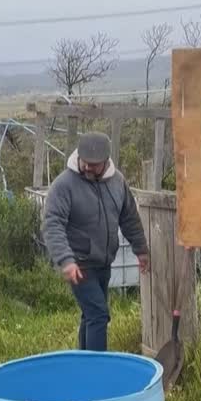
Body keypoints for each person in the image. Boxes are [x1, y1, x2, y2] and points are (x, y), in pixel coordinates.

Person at [43, 131, 150, 352]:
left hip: (104, 261)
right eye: (85, 163)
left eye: (95, 165)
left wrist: (141, 249)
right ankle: (98, 370)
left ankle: (85, 363)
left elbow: (129, 216)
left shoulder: (117, 181)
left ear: (106, 162)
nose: (89, 168)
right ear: (78, 157)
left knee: (90, 315)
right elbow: (52, 224)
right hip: (79, 264)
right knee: (99, 315)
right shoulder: (64, 185)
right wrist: (66, 260)